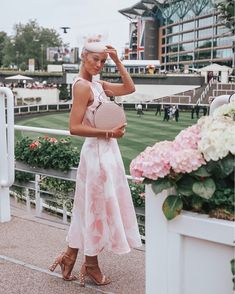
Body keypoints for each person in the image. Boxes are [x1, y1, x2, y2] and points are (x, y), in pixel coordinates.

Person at [49, 37, 142, 287]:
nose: (99, 65)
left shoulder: (98, 85)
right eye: (95, 60)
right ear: (83, 57)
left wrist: (118, 62)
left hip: (107, 152)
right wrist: (109, 133)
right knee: (95, 208)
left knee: (89, 207)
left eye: (102, 61)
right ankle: (90, 264)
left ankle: (70, 256)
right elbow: (74, 127)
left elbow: (130, 88)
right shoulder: (81, 86)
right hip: (96, 153)